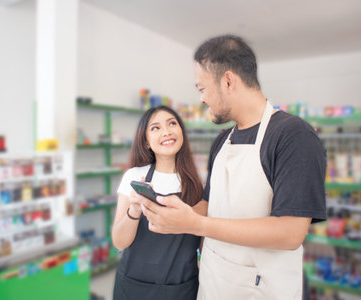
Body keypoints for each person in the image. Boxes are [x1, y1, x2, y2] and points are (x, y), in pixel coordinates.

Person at [140, 35, 327, 299]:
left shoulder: (293, 136)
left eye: (202, 89)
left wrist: (195, 224)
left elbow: (290, 232)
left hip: (260, 289)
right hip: (214, 282)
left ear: (228, 81)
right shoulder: (222, 140)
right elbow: (210, 203)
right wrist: (174, 215)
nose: (202, 99)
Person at [111, 105, 205, 300]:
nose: (166, 131)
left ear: (182, 132)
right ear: (146, 142)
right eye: (156, 128)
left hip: (181, 288)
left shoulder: (200, 182)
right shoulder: (135, 176)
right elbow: (119, 242)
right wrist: (135, 210)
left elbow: (204, 238)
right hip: (133, 287)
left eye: (172, 123)